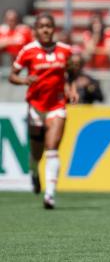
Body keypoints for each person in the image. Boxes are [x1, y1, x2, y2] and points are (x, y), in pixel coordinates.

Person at [8, 13, 78, 209]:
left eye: (49, 26)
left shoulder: (65, 50)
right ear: (35, 30)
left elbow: (72, 72)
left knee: (52, 147)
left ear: (53, 29)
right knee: (37, 154)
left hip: (57, 105)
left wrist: (71, 89)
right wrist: (24, 80)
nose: (46, 29)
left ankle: (49, 195)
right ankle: (34, 172)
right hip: (36, 107)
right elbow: (12, 76)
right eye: (41, 26)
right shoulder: (27, 51)